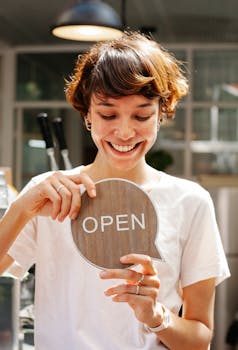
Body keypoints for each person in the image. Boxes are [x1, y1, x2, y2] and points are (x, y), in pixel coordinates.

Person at [0, 31, 230, 350]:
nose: (124, 131)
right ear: (87, 115)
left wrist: (155, 315)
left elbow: (200, 340)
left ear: (161, 113)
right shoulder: (49, 193)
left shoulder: (190, 202)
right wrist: (23, 206)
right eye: (108, 114)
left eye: (141, 115)